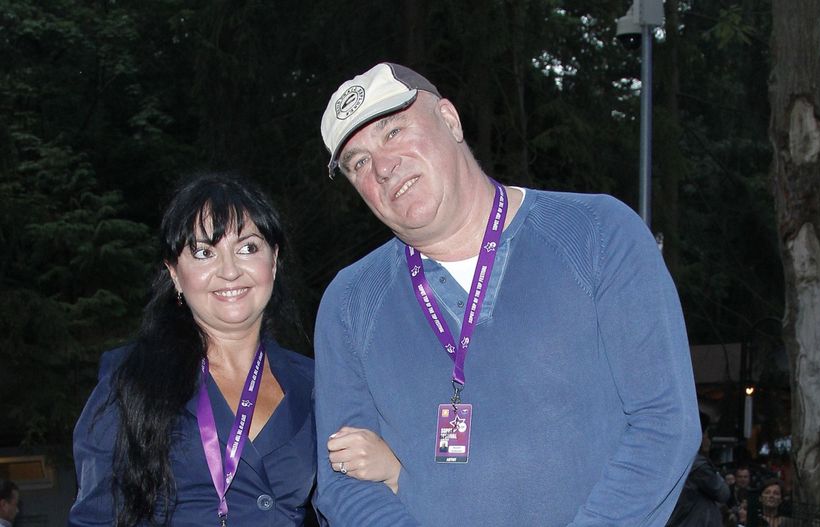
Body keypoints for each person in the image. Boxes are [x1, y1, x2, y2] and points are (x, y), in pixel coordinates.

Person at [313, 62, 700, 525]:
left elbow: (664, 424)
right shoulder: (350, 303)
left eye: (394, 131)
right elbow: (343, 484)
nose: (382, 167)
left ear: (450, 120)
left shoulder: (598, 233)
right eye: (358, 162)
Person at [70, 174, 359, 526]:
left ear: (274, 260)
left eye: (247, 248)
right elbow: (94, 518)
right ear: (174, 274)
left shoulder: (316, 382)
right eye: (204, 253)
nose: (229, 271)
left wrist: (388, 467)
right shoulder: (129, 379)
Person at [665, 413, 730, 526]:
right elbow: (723, 493)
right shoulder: (699, 467)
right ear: (700, 435)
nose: (709, 440)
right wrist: (705, 456)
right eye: (707, 434)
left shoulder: (673, 459)